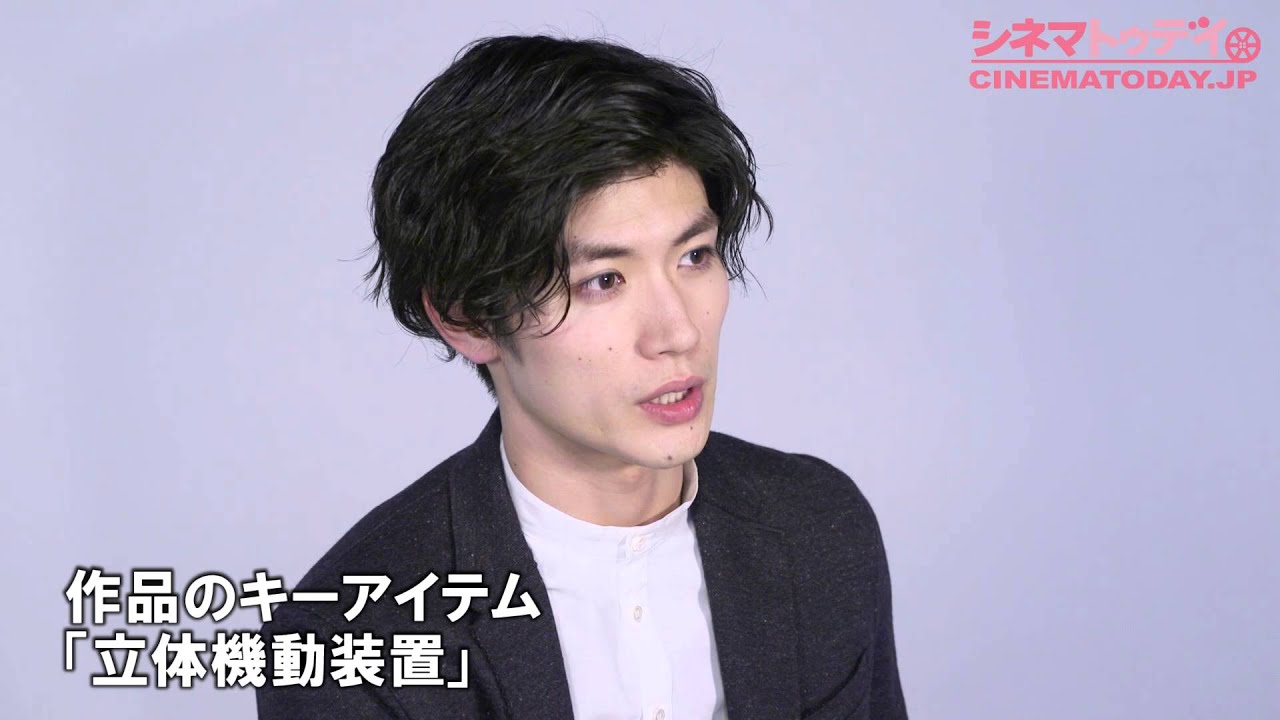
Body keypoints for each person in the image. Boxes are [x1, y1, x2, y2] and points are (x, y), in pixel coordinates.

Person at [256, 33, 908, 720]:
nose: (678, 332)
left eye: (693, 256)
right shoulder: (347, 646)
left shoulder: (819, 527)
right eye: (603, 280)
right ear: (467, 317)